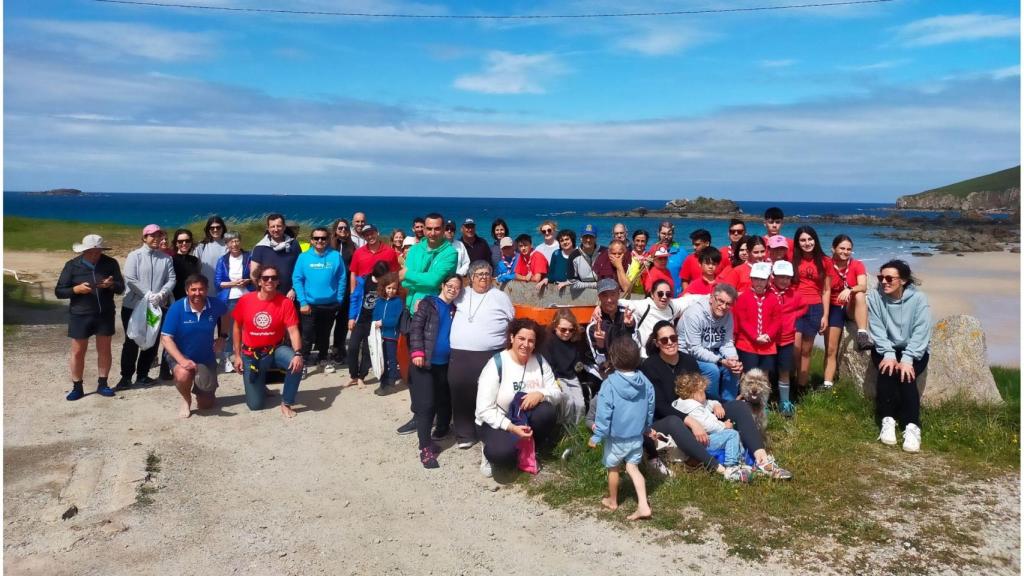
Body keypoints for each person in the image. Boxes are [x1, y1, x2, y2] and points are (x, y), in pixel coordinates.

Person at [641, 321, 792, 480]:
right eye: (664, 340)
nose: (670, 342)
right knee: (673, 421)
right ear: (657, 343)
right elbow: (659, 406)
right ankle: (723, 470)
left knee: (739, 406)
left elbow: (702, 393)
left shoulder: (688, 361)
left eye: (673, 337)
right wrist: (690, 421)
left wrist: (720, 403)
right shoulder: (650, 366)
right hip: (669, 421)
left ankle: (763, 461)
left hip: (698, 411)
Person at [475, 319, 563, 478]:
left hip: (525, 418)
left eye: (531, 340)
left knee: (547, 411)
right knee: (501, 454)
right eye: (521, 338)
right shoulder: (496, 364)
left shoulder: (540, 361)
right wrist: (512, 428)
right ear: (511, 338)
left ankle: (529, 448)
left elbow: (557, 393)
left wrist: (541, 394)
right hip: (497, 421)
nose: (526, 344)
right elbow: (483, 410)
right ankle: (489, 450)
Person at [446, 260, 515, 447]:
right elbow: (444, 299)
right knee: (460, 391)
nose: (483, 277)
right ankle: (464, 434)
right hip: (460, 353)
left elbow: (512, 321)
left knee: (489, 393)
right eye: (479, 274)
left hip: (491, 353)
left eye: (487, 274)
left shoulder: (500, 296)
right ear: (471, 277)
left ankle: (488, 431)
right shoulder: (462, 294)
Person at [588, 337, 655, 520]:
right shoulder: (645, 382)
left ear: (613, 359)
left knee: (613, 468)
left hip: (616, 438)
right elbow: (650, 405)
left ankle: (612, 500)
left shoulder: (609, 384)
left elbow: (603, 413)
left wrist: (597, 435)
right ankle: (643, 504)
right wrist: (647, 426)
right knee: (633, 468)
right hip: (636, 436)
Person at [868, 260, 931, 453]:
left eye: (889, 278)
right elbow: (877, 328)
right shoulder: (875, 297)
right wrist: (888, 353)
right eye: (881, 278)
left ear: (902, 280)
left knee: (906, 376)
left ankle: (912, 427)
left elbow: (921, 331)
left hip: (914, 349)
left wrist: (907, 358)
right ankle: (887, 420)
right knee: (887, 371)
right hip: (885, 346)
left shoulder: (918, 299)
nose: (884, 282)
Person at [55, 234, 124, 400]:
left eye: (97, 251)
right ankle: (77, 387)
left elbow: (121, 287)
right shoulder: (72, 266)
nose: (94, 255)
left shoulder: (110, 263)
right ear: (83, 251)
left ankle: (103, 384)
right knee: (78, 352)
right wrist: (75, 290)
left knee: (104, 350)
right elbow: (59, 291)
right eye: (91, 252)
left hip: (105, 313)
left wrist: (111, 285)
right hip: (80, 314)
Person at [232, 264, 303, 418]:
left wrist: (298, 353)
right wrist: (237, 356)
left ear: (278, 281)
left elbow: (293, 330)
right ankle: (260, 385)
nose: (270, 281)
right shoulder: (245, 300)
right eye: (265, 278)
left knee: (296, 364)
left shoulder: (285, 302)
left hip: (275, 349)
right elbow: (237, 328)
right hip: (251, 354)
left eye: (274, 278)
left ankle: (287, 402)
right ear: (259, 282)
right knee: (255, 406)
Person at [408, 274, 462, 468]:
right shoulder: (429, 304)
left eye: (457, 287)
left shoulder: (455, 309)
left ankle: (433, 438)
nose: (453, 289)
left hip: (444, 364)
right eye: (450, 285)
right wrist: (417, 351)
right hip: (425, 362)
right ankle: (425, 448)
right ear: (442, 285)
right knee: (427, 405)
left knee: (441, 401)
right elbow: (416, 328)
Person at [160, 274, 228, 418]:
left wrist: (222, 336)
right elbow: (166, 339)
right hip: (181, 354)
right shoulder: (176, 308)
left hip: (205, 356)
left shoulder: (215, 304)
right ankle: (186, 399)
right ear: (187, 291)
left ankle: (202, 388)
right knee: (183, 374)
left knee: (206, 405)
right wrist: (182, 360)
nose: (197, 293)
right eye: (193, 290)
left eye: (201, 289)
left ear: (207, 290)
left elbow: (226, 314)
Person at [117, 224, 176, 390]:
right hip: (133, 306)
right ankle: (126, 377)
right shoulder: (134, 256)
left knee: (151, 339)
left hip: (156, 306)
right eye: (152, 236)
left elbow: (171, 279)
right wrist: (148, 294)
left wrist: (161, 294)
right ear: (144, 238)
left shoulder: (166, 258)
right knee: (132, 340)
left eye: (159, 236)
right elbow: (130, 278)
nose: (156, 239)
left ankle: (143, 375)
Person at [672, 372, 749, 481]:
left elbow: (709, 402)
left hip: (704, 439)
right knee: (732, 435)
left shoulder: (694, 402)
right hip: (702, 441)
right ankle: (731, 466)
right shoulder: (692, 408)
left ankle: (741, 460)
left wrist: (717, 405)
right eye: (703, 391)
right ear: (693, 393)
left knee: (735, 438)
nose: (705, 394)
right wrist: (724, 426)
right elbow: (708, 426)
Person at [293, 226, 347, 378]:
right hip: (309, 304)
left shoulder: (335, 256)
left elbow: (342, 278)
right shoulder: (303, 257)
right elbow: (297, 279)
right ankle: (302, 361)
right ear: (311, 240)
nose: (320, 241)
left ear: (328, 239)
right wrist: (302, 301)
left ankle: (323, 358)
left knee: (325, 333)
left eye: (323, 238)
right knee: (307, 334)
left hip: (330, 303)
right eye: (316, 238)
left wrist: (339, 299)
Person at [823, 234, 873, 388]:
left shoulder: (857, 264)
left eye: (849, 249)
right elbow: (825, 291)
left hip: (850, 306)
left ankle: (862, 334)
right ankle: (827, 383)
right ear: (833, 248)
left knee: (859, 294)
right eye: (842, 248)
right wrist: (824, 315)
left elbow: (863, 286)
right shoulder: (827, 265)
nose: (845, 252)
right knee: (831, 348)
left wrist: (850, 289)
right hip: (834, 308)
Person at [678, 284, 741, 401]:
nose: (723, 306)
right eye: (720, 301)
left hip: (712, 352)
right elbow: (694, 349)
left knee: (733, 369)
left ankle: (729, 406)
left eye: (728, 304)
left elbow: (727, 343)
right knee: (712, 370)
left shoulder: (728, 316)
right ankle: (713, 405)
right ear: (712, 298)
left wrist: (733, 360)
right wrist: (721, 361)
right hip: (687, 355)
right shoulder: (694, 314)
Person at [615, 278, 699, 359]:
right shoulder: (644, 306)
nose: (664, 297)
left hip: (668, 351)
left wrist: (710, 297)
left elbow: (690, 300)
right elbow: (621, 302)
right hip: (647, 355)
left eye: (668, 294)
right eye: (660, 294)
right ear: (652, 294)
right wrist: (601, 306)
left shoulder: (672, 305)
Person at [792, 225, 832, 391]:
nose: (807, 243)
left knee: (807, 351)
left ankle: (801, 387)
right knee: (795, 349)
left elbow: (826, 290)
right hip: (794, 307)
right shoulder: (792, 259)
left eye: (809, 239)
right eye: (802, 240)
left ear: (815, 240)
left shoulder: (825, 261)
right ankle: (789, 383)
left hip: (815, 308)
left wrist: (825, 316)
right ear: (797, 242)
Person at [164, 228, 201, 380]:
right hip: (174, 302)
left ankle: (189, 364)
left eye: (187, 241)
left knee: (189, 334)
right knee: (170, 335)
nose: (184, 244)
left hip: (192, 302)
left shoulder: (195, 261)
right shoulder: (170, 260)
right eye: (180, 241)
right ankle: (165, 369)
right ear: (176, 243)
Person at [769, 260, 805, 417]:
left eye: (787, 277)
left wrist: (793, 317)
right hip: (768, 341)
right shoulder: (766, 292)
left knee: (784, 370)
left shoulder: (794, 294)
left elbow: (804, 307)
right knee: (767, 371)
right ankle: (764, 402)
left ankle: (784, 402)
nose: (784, 280)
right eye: (780, 276)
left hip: (786, 339)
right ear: (773, 276)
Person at [401, 213, 458, 311]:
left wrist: (407, 274)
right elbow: (405, 283)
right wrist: (427, 282)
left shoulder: (450, 253)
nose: (432, 233)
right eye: (429, 228)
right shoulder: (414, 249)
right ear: (424, 229)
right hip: (410, 308)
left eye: (437, 229)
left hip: (435, 310)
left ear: (444, 229)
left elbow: (433, 281)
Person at [214, 230, 253, 372]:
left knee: (247, 327)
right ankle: (226, 357)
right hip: (230, 298)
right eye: (231, 241)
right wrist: (233, 284)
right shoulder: (222, 260)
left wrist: (247, 281)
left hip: (248, 296)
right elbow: (218, 283)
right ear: (227, 244)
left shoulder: (249, 256)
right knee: (230, 330)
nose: (235, 244)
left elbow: (256, 275)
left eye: (237, 240)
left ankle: (245, 354)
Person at [583, 278, 637, 380]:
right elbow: (600, 362)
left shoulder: (628, 316)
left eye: (612, 294)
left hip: (630, 366)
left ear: (618, 294)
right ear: (599, 297)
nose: (609, 299)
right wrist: (600, 344)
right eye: (604, 295)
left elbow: (636, 346)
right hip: (607, 372)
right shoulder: (593, 327)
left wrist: (629, 327)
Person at [540, 309, 586, 425]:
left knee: (580, 404)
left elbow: (577, 362)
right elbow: (548, 365)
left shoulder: (574, 341)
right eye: (563, 329)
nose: (567, 333)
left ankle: (578, 428)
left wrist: (579, 365)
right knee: (568, 402)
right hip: (558, 377)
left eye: (571, 330)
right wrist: (556, 380)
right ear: (555, 326)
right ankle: (564, 429)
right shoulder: (548, 341)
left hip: (572, 376)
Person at [348, 261, 390, 388]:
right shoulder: (364, 281)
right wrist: (351, 317)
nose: (379, 280)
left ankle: (361, 377)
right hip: (360, 320)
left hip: (373, 323)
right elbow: (354, 299)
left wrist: (382, 320)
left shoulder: (386, 284)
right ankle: (353, 376)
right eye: (378, 278)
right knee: (352, 348)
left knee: (367, 350)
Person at [733, 262, 780, 373]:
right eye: (756, 279)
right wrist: (755, 336)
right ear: (751, 279)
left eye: (762, 279)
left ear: (768, 280)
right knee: (748, 374)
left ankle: (764, 391)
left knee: (764, 375)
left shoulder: (773, 298)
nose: (759, 282)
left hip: (767, 343)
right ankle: (745, 391)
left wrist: (768, 335)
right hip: (747, 343)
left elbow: (777, 320)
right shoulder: (743, 297)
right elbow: (743, 321)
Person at [250, 213, 301, 303]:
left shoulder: (294, 244)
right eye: (272, 226)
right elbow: (254, 275)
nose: (276, 229)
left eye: (279, 226)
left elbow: (300, 270)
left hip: (291, 296)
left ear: (284, 227)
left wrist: (294, 289)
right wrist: (264, 292)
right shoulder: (260, 247)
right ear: (268, 228)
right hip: (268, 297)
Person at [329, 218, 358, 369]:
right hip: (329, 290)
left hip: (346, 289)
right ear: (335, 230)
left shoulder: (352, 246)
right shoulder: (328, 245)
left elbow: (355, 267)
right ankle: (323, 351)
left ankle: (339, 349)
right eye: (340, 228)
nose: (343, 231)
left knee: (342, 323)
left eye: (345, 228)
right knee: (327, 322)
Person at [372, 273, 404, 394]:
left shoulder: (398, 302)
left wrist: (382, 322)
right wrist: (375, 323)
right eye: (389, 288)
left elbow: (395, 321)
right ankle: (383, 381)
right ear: (384, 288)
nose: (391, 290)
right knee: (382, 359)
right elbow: (375, 315)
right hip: (380, 336)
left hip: (391, 336)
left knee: (391, 360)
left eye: (394, 288)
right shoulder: (380, 301)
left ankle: (391, 382)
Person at [349, 223, 400, 298]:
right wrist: (353, 292)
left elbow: (395, 273)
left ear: (377, 233)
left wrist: (394, 291)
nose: (370, 237)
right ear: (363, 237)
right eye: (366, 235)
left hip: (384, 293)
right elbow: (353, 273)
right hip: (363, 293)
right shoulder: (358, 253)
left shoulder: (390, 251)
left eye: (372, 233)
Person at [648, 221, 686, 297]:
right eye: (663, 233)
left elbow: (687, 277)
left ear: (673, 235)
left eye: (669, 234)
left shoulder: (681, 252)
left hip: (676, 299)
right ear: (658, 233)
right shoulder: (652, 251)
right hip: (658, 299)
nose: (666, 237)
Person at [194, 216, 228, 299]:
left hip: (226, 291)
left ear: (223, 228)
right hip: (206, 292)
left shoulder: (229, 245)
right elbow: (195, 270)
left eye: (218, 227)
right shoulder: (201, 246)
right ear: (208, 230)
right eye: (212, 228)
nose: (215, 230)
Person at [563, 224, 604, 290]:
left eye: (591, 237)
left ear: (596, 238)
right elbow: (573, 283)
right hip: (584, 291)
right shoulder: (573, 256)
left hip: (604, 290)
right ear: (581, 238)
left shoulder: (604, 252)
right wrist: (596, 285)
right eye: (585, 237)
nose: (588, 240)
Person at [625, 229, 650, 296]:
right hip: (629, 293)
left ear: (646, 242)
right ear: (633, 241)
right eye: (637, 241)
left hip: (645, 295)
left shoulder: (650, 258)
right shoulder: (627, 257)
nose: (640, 244)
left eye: (643, 241)